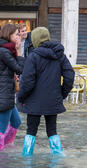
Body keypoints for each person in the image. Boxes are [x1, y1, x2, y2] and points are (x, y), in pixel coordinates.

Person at [17, 27, 75, 156]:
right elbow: (70, 75)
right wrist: (62, 93)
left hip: (34, 101)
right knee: (52, 130)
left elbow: (27, 81)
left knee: (31, 130)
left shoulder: (33, 57)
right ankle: (58, 157)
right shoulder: (60, 55)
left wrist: (21, 97)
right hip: (53, 99)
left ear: (36, 40)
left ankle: (27, 160)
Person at [0, 24, 25, 151]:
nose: (19, 37)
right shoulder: (3, 51)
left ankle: (6, 146)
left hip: (2, 92)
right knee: (0, 128)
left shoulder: (0, 50)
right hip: (2, 93)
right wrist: (19, 52)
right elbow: (20, 69)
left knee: (16, 122)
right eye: (16, 34)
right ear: (9, 35)